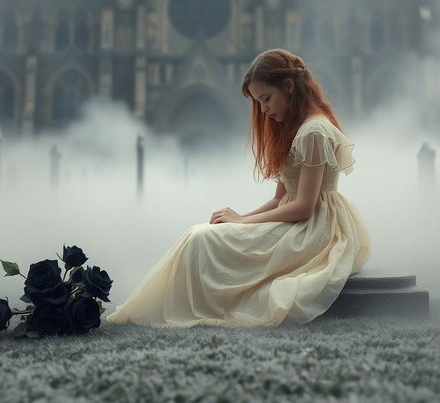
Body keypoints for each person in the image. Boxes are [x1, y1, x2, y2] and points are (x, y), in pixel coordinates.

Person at [105, 48, 371, 327]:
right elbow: (281, 199)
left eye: (266, 99)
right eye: (259, 103)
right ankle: (164, 308)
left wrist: (243, 221)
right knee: (200, 234)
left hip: (315, 231)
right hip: (296, 223)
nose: (264, 110)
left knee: (202, 240)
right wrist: (239, 221)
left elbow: (304, 206)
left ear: (289, 87)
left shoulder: (314, 132)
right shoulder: (295, 131)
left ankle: (197, 308)